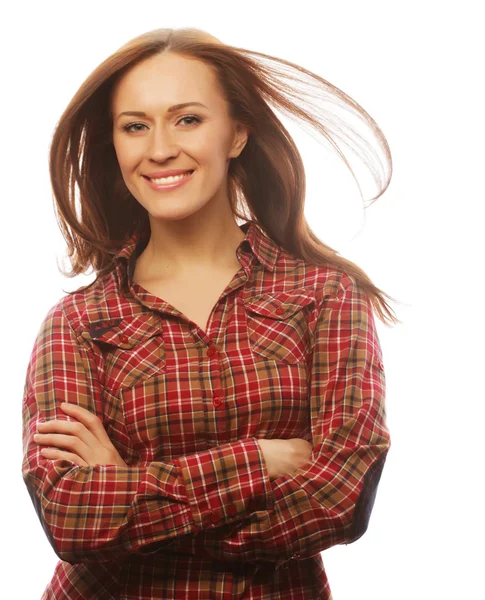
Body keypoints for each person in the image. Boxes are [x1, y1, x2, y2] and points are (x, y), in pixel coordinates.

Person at [22, 27, 400, 600]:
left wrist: (128, 491)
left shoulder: (325, 297)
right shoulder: (79, 322)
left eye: (188, 119)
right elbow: (71, 517)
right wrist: (260, 461)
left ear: (238, 133)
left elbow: (340, 502)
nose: (159, 149)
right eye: (134, 126)